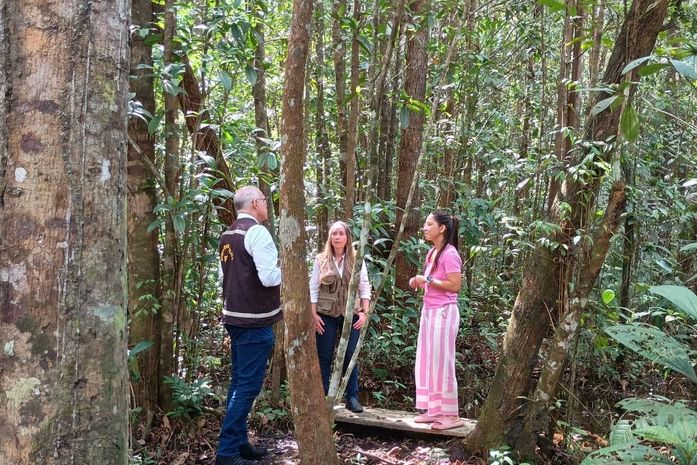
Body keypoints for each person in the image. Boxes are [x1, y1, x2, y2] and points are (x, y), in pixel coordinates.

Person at [216, 186, 281, 465]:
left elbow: (225, 275)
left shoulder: (227, 235)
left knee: (238, 383)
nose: (267, 206)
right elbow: (269, 278)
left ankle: (239, 444)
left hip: (235, 318)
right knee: (247, 388)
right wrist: (292, 270)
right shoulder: (257, 232)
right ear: (256, 203)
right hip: (254, 322)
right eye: (265, 201)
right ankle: (227, 453)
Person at [408, 210, 464, 430]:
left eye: (429, 224)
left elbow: (455, 285)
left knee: (443, 361)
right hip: (429, 310)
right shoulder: (432, 252)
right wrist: (420, 281)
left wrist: (428, 279)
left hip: (444, 311)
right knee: (428, 360)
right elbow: (433, 282)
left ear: (442, 228)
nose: (425, 228)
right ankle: (434, 409)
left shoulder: (450, 253)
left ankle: (452, 414)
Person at [310, 220, 371, 413]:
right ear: (330, 237)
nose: (337, 237)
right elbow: (313, 288)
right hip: (325, 314)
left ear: (347, 237)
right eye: (334, 233)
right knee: (324, 356)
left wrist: (364, 313)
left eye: (341, 234)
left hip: (351, 314)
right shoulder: (321, 259)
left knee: (349, 355)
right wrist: (313, 314)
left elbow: (364, 285)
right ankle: (324, 397)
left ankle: (352, 397)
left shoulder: (356, 259)